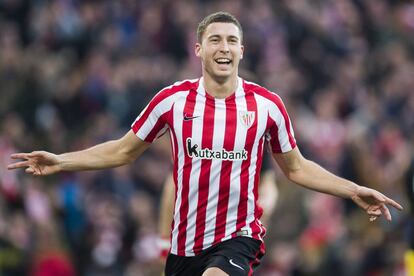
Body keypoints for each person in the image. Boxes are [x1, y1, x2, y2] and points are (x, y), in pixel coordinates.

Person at [8, 11, 403, 276]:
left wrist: (353, 190)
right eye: (215, 40)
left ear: (242, 51)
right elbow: (122, 150)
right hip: (183, 248)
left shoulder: (267, 106)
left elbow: (296, 168)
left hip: (239, 237)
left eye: (232, 40)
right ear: (198, 49)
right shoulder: (172, 100)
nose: (224, 47)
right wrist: (61, 160)